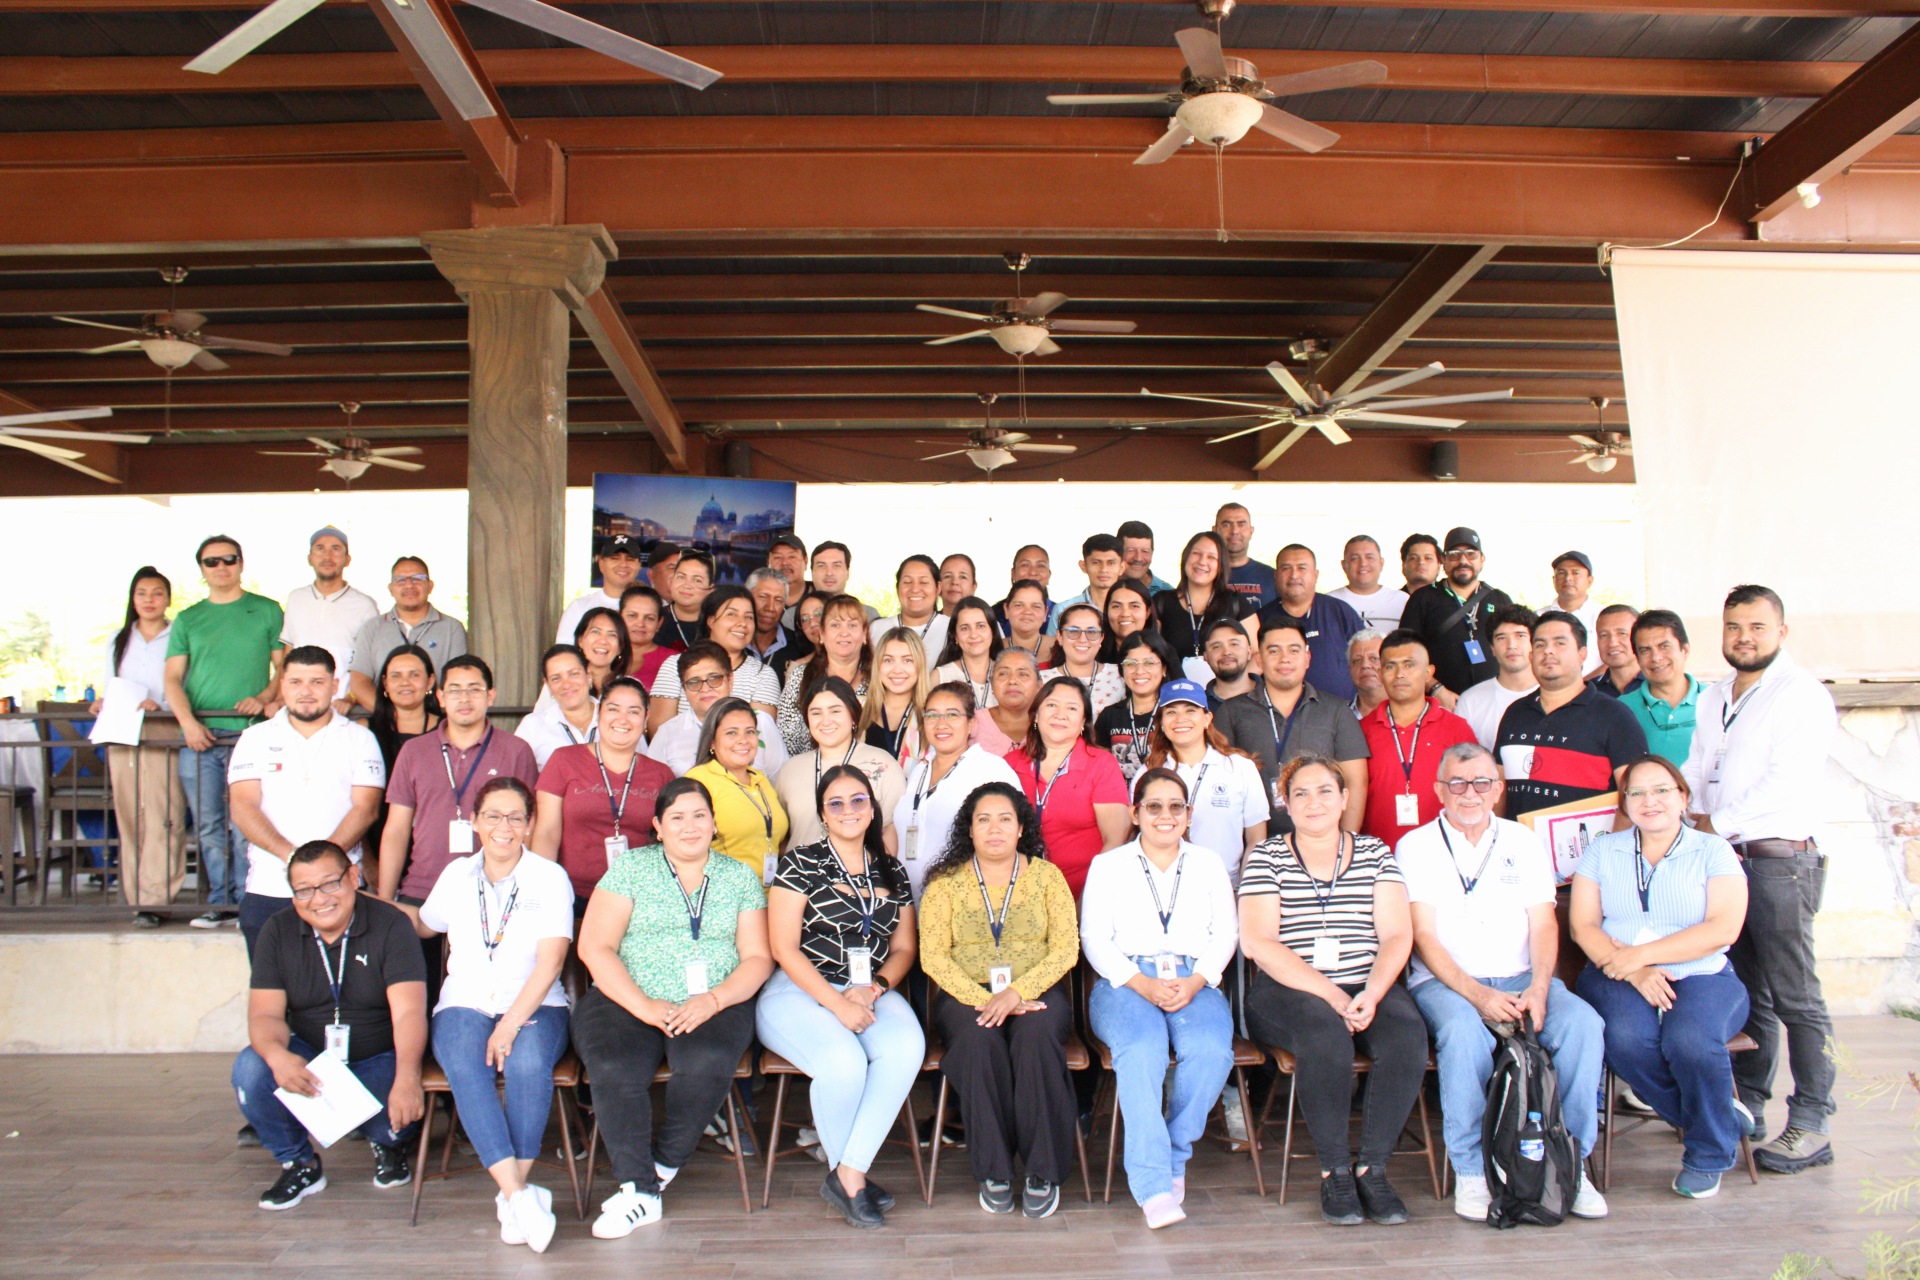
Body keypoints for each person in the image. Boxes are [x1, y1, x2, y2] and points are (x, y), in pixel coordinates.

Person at [1398, 744, 1607, 1221]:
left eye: (1481, 783)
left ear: (1498, 790)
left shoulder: (1522, 840)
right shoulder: (1416, 845)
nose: (1468, 793)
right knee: (1463, 1034)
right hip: (1447, 983)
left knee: (1583, 1026)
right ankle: (1471, 1170)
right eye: (1457, 783)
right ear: (1439, 790)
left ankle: (1571, 1166)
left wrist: (1540, 987)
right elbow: (1423, 936)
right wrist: (1478, 995)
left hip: (1522, 976)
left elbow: (1544, 924)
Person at [1683, 584, 1839, 1175]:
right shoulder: (1714, 694)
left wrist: (1713, 823)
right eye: (1733, 627)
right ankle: (1748, 1105)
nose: (1743, 637)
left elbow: (1786, 782)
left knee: (1796, 995)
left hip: (1779, 862)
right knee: (1750, 992)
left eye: (1756, 626)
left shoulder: (1800, 695)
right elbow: (1698, 766)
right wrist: (1685, 813)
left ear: (1781, 631)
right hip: (1727, 860)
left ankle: (1812, 1122)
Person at [573, 777, 772, 1237]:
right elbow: (595, 946)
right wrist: (643, 1005)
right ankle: (639, 1187)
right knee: (614, 1064)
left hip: (714, 1001)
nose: (690, 826)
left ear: (714, 824)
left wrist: (713, 1000)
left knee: (706, 1059)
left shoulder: (738, 876)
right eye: (677, 817)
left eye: (699, 815)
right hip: (626, 997)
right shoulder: (631, 868)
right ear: (658, 826)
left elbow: (758, 959)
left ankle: (653, 1176)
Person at [1237, 753, 1426, 1227]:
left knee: (1406, 1037)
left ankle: (1373, 1169)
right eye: (1300, 793)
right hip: (1289, 989)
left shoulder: (1376, 853)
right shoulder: (1267, 857)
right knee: (1325, 1037)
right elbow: (1258, 942)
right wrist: (1332, 995)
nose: (1313, 802)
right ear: (1285, 803)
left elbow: (1397, 935)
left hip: (1366, 981)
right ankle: (1335, 1170)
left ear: (1344, 798)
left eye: (1325, 791)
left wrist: (1373, 993)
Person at [1571, 755, 1753, 1198]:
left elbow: (1723, 929)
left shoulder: (1713, 851)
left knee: (1690, 1041)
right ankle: (1717, 1119)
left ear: (1683, 797)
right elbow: (1583, 927)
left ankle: (1708, 1154)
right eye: (1636, 792)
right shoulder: (1602, 850)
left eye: (1661, 790)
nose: (1649, 801)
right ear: (1624, 802)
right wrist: (1634, 970)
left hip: (1701, 972)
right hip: (1615, 973)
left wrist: (1643, 956)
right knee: (1625, 1040)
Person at [759, 764, 924, 1228]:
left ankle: (848, 1172)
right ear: (823, 815)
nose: (848, 810)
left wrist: (873, 989)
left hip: (867, 988)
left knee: (906, 1047)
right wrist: (837, 1005)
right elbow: (784, 948)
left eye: (858, 800)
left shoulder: (891, 869)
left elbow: (904, 948)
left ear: (872, 810)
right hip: (799, 989)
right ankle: (852, 1181)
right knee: (843, 1062)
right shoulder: (801, 863)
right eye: (836, 803)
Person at [415, 777, 573, 1252]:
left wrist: (509, 1023)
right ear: (474, 821)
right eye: (493, 816)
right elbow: (426, 924)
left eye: (515, 817)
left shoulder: (549, 877)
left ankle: (512, 1196)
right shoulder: (455, 875)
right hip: (464, 1001)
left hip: (535, 1003)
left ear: (529, 824)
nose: (504, 827)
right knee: (467, 1065)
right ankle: (519, 1196)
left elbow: (551, 962)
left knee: (527, 1064)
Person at [1080, 768, 1239, 1228]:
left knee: (1212, 1052)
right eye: (1153, 806)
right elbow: (1094, 938)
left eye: (1175, 807)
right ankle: (1153, 1186)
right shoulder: (1108, 865)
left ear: (1189, 814)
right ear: (1135, 813)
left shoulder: (1207, 863)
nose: (1165, 816)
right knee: (1143, 1051)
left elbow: (1225, 933)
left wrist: (1198, 980)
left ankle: (1173, 1151)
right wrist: (1140, 982)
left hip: (1194, 977)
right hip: (1125, 981)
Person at [232, 839, 425, 1210]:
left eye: (329, 884)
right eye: (304, 890)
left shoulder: (390, 923)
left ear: (353, 877)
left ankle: (388, 1145)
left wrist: (408, 1077)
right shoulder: (278, 930)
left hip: (378, 1058)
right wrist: (277, 1056)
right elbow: (264, 1014)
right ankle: (298, 1163)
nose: (319, 899)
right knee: (251, 1068)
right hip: (313, 1059)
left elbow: (409, 1013)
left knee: (396, 1120)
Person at [917, 783, 1080, 1219]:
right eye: (983, 820)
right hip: (965, 994)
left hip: (1034, 991)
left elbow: (1065, 949)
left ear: (1021, 827)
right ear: (969, 830)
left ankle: (1043, 1171)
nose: (994, 828)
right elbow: (934, 956)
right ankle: (995, 1171)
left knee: (1035, 1039)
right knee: (978, 1042)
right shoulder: (945, 884)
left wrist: (1015, 994)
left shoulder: (1047, 877)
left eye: (1005, 819)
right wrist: (984, 1000)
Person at [378, 656, 539, 963]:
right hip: (422, 888)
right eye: (454, 690)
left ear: (490, 696)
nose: (464, 698)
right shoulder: (414, 751)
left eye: (474, 689)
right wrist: (386, 899)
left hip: (494, 890)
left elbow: (530, 826)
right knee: (421, 986)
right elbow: (396, 829)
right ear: (440, 696)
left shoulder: (516, 750)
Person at [227, 646, 385, 955]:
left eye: (317, 682)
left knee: (343, 981)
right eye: (296, 682)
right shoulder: (255, 738)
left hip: (339, 889)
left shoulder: (360, 738)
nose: (306, 691)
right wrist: (293, 860)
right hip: (270, 887)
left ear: (335, 686)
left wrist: (322, 868)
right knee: (272, 983)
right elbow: (243, 807)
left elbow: (366, 809)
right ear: (282, 685)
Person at [166, 533, 285, 928]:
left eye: (229, 559)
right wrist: (188, 723)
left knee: (245, 823)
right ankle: (220, 901)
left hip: (250, 735)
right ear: (202, 569)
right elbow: (171, 679)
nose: (221, 567)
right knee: (208, 824)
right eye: (212, 561)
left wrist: (263, 697)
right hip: (200, 738)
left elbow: (284, 668)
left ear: (241, 563)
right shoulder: (188, 619)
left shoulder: (266, 610)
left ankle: (247, 902)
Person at [1214, 619, 1370, 833]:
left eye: (1294, 650)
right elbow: (1218, 783)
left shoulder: (1337, 711)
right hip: (1254, 842)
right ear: (1259, 660)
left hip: (1322, 841)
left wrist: (1346, 841)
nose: (1285, 658)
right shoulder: (1231, 712)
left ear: (1307, 658)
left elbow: (1355, 781)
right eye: (1274, 651)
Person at [97, 566, 188, 926]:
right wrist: (103, 702)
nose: (149, 600)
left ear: (168, 599)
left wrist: (161, 705)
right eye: (142, 593)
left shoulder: (178, 635)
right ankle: (137, 898)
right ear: (132, 599)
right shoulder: (119, 639)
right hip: (122, 731)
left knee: (165, 814)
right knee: (129, 812)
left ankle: (158, 897)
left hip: (163, 727)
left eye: (157, 593)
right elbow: (111, 683)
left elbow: (185, 684)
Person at [533, 676, 675, 903]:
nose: (622, 719)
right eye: (613, 709)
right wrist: (542, 894)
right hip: (572, 896)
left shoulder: (661, 774)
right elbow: (546, 832)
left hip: (640, 898)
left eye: (633, 711)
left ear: (646, 718)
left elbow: (670, 842)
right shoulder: (564, 760)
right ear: (599, 713)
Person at [1494, 611, 1647, 820]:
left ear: (1582, 654)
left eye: (1560, 643)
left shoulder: (1615, 715)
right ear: (1531, 656)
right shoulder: (1515, 713)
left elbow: (1635, 797)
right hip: (1520, 841)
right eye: (1540, 645)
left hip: (1591, 841)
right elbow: (1498, 791)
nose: (1548, 651)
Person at [1005, 675, 1131, 899]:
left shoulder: (1101, 764)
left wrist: (1087, 900)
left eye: (1071, 708)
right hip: (1019, 895)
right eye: (1051, 705)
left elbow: (1115, 840)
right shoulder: (1009, 764)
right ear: (1036, 714)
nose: (1060, 714)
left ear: (1083, 722)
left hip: (1084, 893)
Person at [895, 682, 1022, 900]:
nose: (941, 724)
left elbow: (1016, 840)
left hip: (964, 903)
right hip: (907, 901)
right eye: (932, 715)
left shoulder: (991, 769)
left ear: (971, 723)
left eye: (952, 715)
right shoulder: (919, 771)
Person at [1357, 632, 1477, 851]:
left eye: (1409, 665)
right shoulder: (1360, 730)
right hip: (1377, 856)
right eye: (1390, 666)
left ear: (1428, 673)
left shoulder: (1456, 728)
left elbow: (1477, 792)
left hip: (1445, 854)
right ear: (1380, 674)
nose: (1400, 674)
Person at [1142, 680, 1267, 883]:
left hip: (1227, 886)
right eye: (1171, 712)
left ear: (1207, 718)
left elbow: (1256, 839)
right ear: (1162, 723)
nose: (1180, 719)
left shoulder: (1240, 767)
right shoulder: (1148, 773)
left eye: (1190, 710)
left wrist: (1244, 891)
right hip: (1164, 887)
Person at [773, 676, 906, 854]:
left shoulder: (884, 764)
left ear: (853, 716)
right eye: (816, 713)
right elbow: (780, 836)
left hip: (863, 871)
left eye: (835, 711)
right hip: (801, 870)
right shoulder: (790, 770)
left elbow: (891, 829)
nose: (826, 721)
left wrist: (880, 870)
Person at [1398, 528, 1515, 700]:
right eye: (1454, 554)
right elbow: (1405, 651)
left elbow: (1516, 648)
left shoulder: (1500, 599)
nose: (1463, 561)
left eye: (1471, 554)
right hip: (1440, 703)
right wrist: (1436, 689)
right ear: (1443, 560)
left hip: (1494, 701)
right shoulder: (1423, 599)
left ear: (1482, 559)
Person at [648, 585, 780, 733]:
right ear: (711, 621)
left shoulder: (763, 675)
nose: (743, 623)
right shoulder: (675, 665)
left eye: (749, 617)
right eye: (732, 614)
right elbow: (659, 731)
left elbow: (760, 736)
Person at [687, 697, 791, 882]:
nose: (743, 740)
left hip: (772, 892)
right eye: (731, 733)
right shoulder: (698, 781)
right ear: (712, 741)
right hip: (726, 892)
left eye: (749, 731)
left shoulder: (762, 780)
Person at [346, 556, 467, 711]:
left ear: (430, 586)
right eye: (401, 580)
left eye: (417, 579)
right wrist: (392, 716)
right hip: (384, 720)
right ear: (391, 588)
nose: (409, 585)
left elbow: (457, 681)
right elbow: (359, 683)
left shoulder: (452, 628)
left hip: (435, 718)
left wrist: (424, 718)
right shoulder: (372, 628)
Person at [280, 526, 378, 708]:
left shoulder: (364, 605)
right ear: (310, 558)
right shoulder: (296, 598)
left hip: (343, 708)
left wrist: (351, 698)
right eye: (320, 549)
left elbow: (371, 664)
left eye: (336, 549)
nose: (327, 556)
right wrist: (280, 698)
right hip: (300, 705)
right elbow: (288, 653)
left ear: (347, 560)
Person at [1256, 544, 1366, 702]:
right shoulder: (1260, 620)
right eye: (1286, 568)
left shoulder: (1340, 611)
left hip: (1340, 712)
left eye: (1302, 568)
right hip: (1276, 713)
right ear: (1276, 575)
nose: (1294, 575)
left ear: (1315, 575)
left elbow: (1367, 659)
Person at [777, 594, 873, 755]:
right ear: (821, 634)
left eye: (852, 625)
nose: (844, 633)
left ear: (864, 634)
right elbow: (786, 738)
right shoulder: (800, 677)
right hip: (809, 766)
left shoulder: (878, 679)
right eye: (835, 625)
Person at [1155, 532, 1257, 682]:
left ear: (1221, 565)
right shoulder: (1162, 602)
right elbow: (1149, 652)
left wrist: (1233, 685)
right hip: (1174, 693)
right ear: (1185, 557)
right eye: (1196, 553)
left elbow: (1258, 655)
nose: (1202, 561)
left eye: (1211, 557)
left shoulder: (1236, 603)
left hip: (1225, 693)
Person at [1096, 631, 1177, 783]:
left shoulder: (1175, 714)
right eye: (1130, 664)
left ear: (1164, 668)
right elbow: (1098, 768)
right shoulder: (1110, 716)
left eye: (1149, 663)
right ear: (1122, 670)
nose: (1139, 671)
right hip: (1119, 797)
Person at [1453, 605, 1537, 751]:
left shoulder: (1557, 696)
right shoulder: (1470, 701)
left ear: (1535, 643)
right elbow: (1462, 757)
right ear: (1492, 648)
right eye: (1501, 638)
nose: (1511, 645)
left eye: (1520, 636)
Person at [1625, 608, 1701, 766]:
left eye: (1664, 646)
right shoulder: (1622, 709)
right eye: (1645, 650)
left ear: (1685, 650)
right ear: (1637, 659)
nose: (1656, 657)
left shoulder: (1717, 700)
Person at [516, 644, 598, 769]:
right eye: (556, 678)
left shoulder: (616, 717)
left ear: (588, 675)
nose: (566, 685)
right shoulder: (532, 725)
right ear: (547, 684)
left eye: (574, 674)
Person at [858, 628, 931, 766]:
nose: (897, 670)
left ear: (920, 665)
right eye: (888, 660)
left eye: (907, 660)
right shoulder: (857, 708)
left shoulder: (932, 715)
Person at [557, 534, 646, 644]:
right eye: (615, 558)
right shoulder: (579, 608)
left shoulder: (655, 606)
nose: (623, 564)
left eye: (630, 559)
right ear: (601, 564)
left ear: (639, 565)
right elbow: (564, 651)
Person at [1049, 602, 1124, 715]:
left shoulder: (1120, 674)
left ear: (1101, 638)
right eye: (1073, 631)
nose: (1083, 639)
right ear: (1059, 637)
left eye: (1092, 632)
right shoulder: (1041, 680)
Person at [871, 554, 951, 657]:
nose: (915, 589)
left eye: (924, 582)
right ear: (897, 588)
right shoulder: (876, 628)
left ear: (938, 588)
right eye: (907, 582)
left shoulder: (952, 627)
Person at [933, 595, 1003, 711]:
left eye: (980, 626)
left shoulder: (1008, 675)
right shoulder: (939, 677)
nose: (973, 635)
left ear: (993, 631)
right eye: (965, 628)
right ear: (955, 636)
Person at [1327, 535, 1408, 631]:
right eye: (1355, 558)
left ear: (1381, 563)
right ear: (1344, 565)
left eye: (1370, 557)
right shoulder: (1327, 603)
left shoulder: (1402, 600)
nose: (1363, 564)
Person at [974, 648, 1041, 757]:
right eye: (1003, 674)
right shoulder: (972, 723)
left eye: (1023, 674)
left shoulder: (1052, 722)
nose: (1012, 681)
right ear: (992, 684)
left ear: (1039, 685)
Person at [1056, 533, 1129, 621]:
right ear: (1083, 566)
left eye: (1111, 563)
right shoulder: (1063, 610)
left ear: (1122, 568)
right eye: (1096, 563)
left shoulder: (1133, 609)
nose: (1104, 569)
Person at [1549, 551, 1603, 668]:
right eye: (1561, 573)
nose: (1568, 578)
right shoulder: (1538, 616)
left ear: (1590, 581)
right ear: (1553, 580)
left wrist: (1589, 679)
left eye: (1576, 573)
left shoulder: (1603, 617)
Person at [1213, 502, 1274, 608]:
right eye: (1226, 525)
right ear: (1215, 531)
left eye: (1241, 525)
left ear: (1251, 531)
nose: (1235, 531)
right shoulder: (1202, 575)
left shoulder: (1272, 577)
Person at [620, 584, 675, 693]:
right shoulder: (604, 653)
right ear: (619, 616)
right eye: (632, 616)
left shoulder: (673, 661)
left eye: (649, 618)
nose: (640, 624)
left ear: (659, 623)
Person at [658, 549, 715, 652]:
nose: (687, 585)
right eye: (681, 577)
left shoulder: (719, 624)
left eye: (697, 580)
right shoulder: (654, 618)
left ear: (710, 589)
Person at [768, 587, 827, 683]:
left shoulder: (853, 658)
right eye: (804, 619)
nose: (812, 623)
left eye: (818, 614)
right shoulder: (797, 668)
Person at [997, 545, 1057, 638]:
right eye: (1025, 565)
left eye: (1041, 566)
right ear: (1013, 573)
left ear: (1049, 575)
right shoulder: (993, 615)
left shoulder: (1061, 614)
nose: (1033, 572)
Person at [810, 541, 879, 621]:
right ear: (812, 572)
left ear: (848, 572)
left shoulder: (868, 615)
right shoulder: (798, 614)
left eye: (837, 565)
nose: (829, 573)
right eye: (821, 566)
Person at [573, 606, 632, 699]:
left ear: (620, 647)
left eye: (612, 635)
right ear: (580, 640)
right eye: (595, 632)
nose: (603, 641)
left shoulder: (629, 688)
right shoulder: (563, 682)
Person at [1099, 578, 1160, 664]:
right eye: (1116, 606)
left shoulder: (1164, 654)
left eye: (1134, 606)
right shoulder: (1094, 653)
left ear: (1148, 612)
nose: (1125, 614)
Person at [1587, 604, 1644, 698]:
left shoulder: (1659, 684)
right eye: (1604, 635)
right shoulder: (1589, 693)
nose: (1612, 643)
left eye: (1622, 633)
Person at [1200, 617, 1258, 709]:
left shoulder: (1272, 695)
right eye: (1217, 647)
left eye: (1234, 644)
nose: (1226, 652)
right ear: (1206, 657)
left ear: (1249, 652)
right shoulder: (1199, 706)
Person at [999, 579, 1055, 663]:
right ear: (1006, 610)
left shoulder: (1061, 647)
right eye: (1018, 605)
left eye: (1036, 606)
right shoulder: (992, 648)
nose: (1027, 611)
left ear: (1045, 613)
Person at [746, 568, 793, 667]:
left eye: (778, 600)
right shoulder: (731, 641)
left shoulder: (798, 646)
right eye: (763, 597)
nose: (770, 608)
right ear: (746, 597)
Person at [1118, 519, 1173, 594]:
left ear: (1152, 553)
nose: (1138, 558)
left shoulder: (1168, 594)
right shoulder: (1104, 588)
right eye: (1131, 550)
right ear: (1117, 552)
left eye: (1145, 551)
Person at [767, 532, 811, 626]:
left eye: (792, 557)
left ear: (806, 561)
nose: (785, 563)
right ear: (769, 563)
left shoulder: (821, 598)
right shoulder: (758, 600)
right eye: (778, 557)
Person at [1346, 630, 1386, 719]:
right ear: (1349, 669)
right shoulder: (1336, 716)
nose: (1365, 665)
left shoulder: (1411, 714)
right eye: (1357, 660)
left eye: (1374, 658)